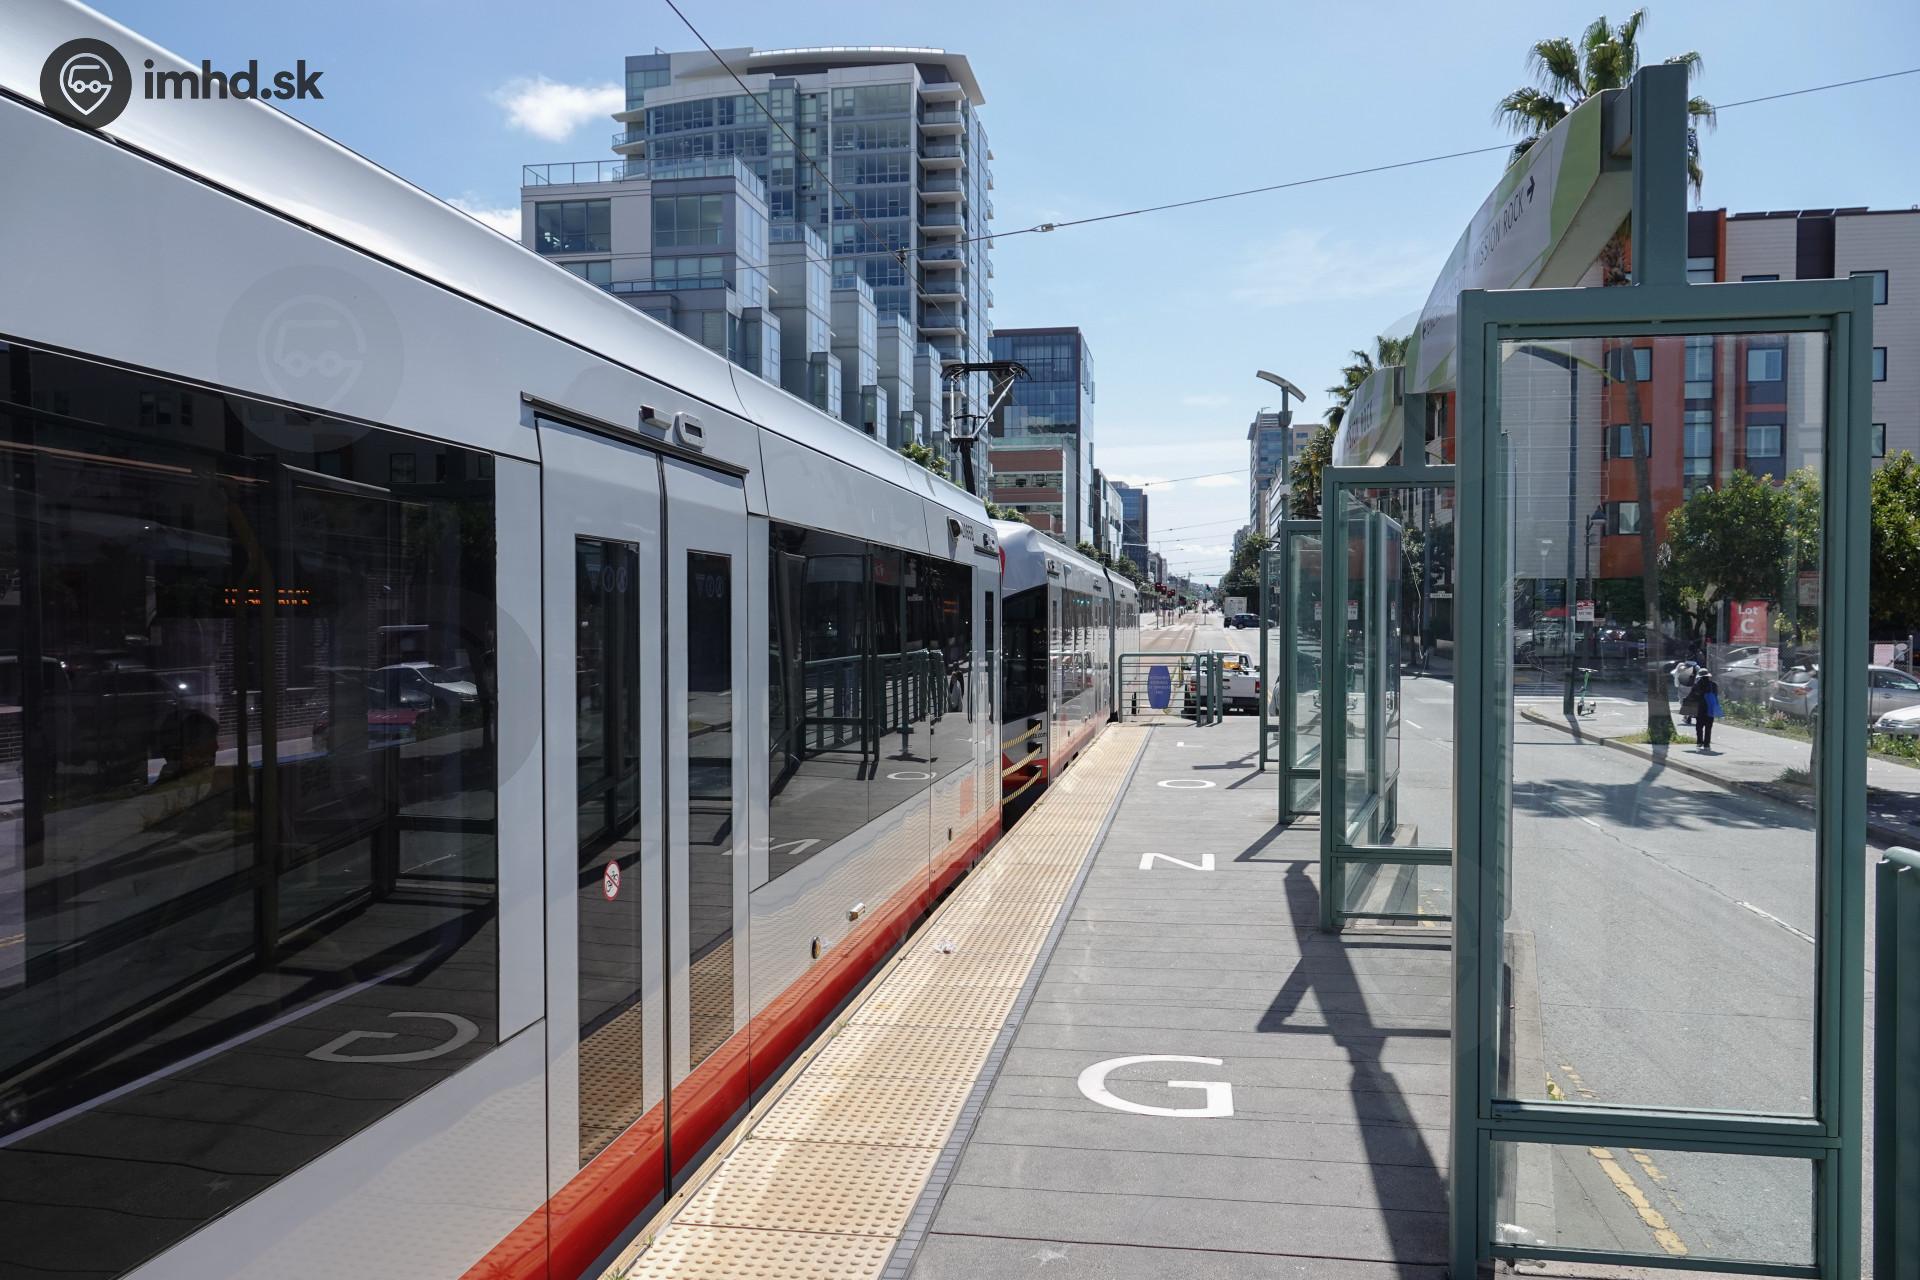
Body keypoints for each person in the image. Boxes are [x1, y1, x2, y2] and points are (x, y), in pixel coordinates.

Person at [1686, 666, 1722, 750]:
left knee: (1699, 727)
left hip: (1700, 709)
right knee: (1708, 727)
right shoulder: (1714, 685)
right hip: (1710, 709)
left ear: (1700, 676)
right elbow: (1716, 695)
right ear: (1708, 676)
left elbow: (1692, 697)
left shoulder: (1696, 685)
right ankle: (1707, 744)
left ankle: (1699, 742)